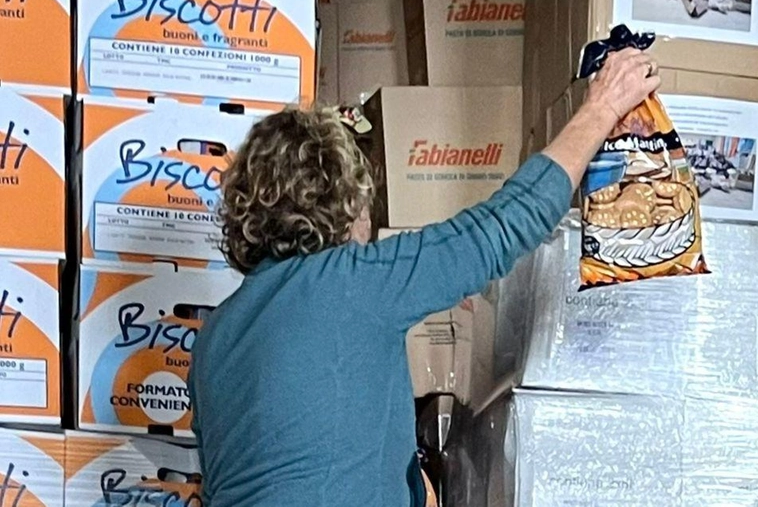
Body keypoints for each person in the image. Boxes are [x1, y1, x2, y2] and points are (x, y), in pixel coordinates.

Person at [190, 49, 662, 507]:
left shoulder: (213, 340)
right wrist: (602, 107)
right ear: (344, 206)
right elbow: (500, 228)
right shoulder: (353, 283)